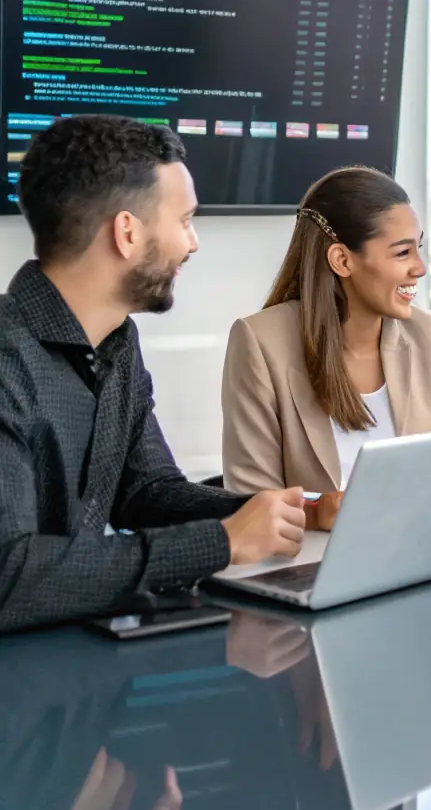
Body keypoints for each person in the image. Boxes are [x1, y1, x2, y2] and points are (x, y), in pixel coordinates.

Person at [0, 115, 325, 635]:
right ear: (127, 232)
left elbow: (147, 492)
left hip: (73, 668)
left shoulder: (116, 341)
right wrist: (220, 543)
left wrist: (280, 512)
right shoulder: (6, 356)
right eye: (185, 221)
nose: (193, 243)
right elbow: (8, 575)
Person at [222, 166, 431, 494]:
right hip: (313, 546)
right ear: (342, 260)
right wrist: (314, 515)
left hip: (420, 541)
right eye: (403, 252)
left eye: (418, 249)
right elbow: (251, 502)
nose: (419, 268)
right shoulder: (260, 342)